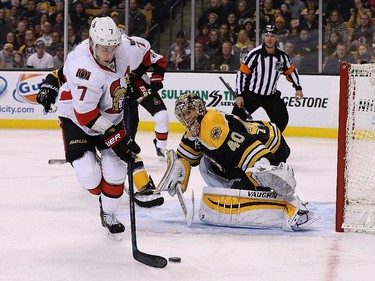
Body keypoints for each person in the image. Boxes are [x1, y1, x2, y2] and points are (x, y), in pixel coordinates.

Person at [36, 17, 166, 237]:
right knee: (89, 176)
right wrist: (117, 138)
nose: (109, 55)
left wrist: (150, 82)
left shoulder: (125, 48)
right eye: (103, 49)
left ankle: (108, 213)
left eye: (112, 48)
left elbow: (151, 58)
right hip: (77, 120)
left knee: (116, 173)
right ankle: (102, 194)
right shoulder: (83, 66)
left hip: (111, 117)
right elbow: (86, 115)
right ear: (92, 43)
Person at [157, 92, 318, 231]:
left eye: (188, 113)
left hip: (271, 144)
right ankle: (245, 187)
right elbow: (185, 157)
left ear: (199, 109)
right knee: (206, 164)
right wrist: (180, 169)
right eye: (182, 115)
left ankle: (292, 206)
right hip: (253, 144)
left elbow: (247, 149)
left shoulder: (213, 127)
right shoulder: (195, 132)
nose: (186, 118)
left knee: (254, 177)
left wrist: (264, 166)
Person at [232, 25, 303, 133]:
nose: (269, 38)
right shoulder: (254, 54)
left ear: (276, 38)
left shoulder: (282, 56)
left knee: (282, 119)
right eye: (267, 35)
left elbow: (291, 71)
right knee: (235, 121)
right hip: (251, 94)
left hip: (271, 96)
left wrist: (298, 88)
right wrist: (240, 95)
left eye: (272, 36)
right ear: (263, 38)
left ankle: (270, 140)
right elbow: (242, 74)